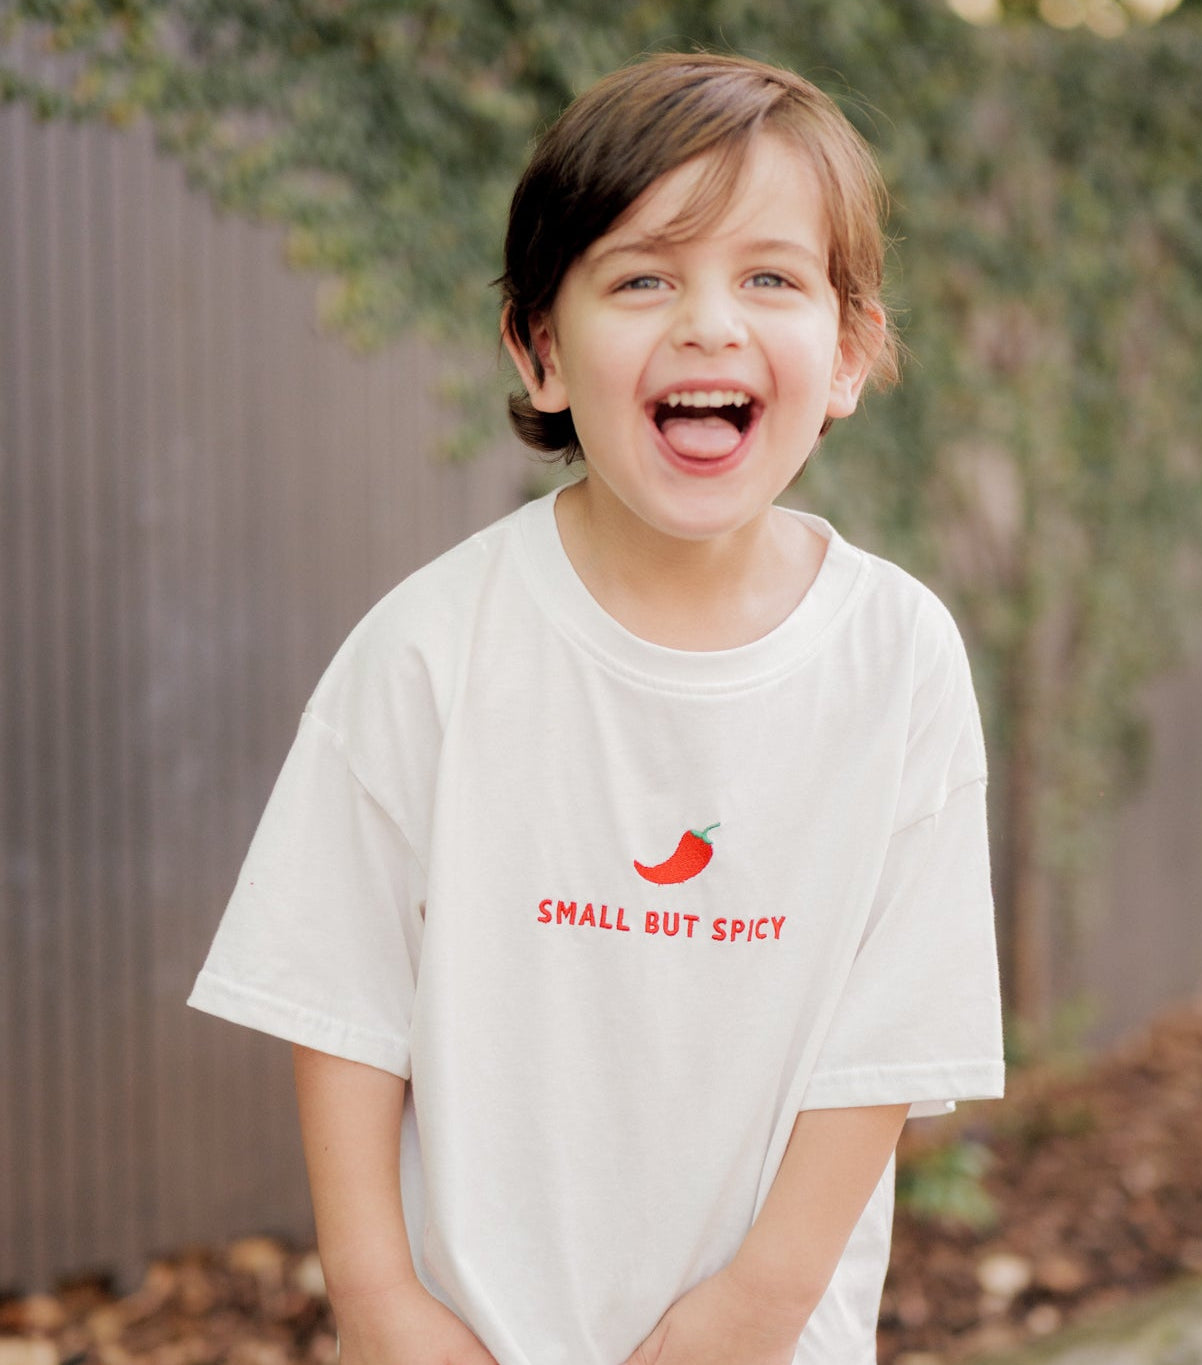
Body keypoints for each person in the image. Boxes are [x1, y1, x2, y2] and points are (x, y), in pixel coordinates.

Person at [188, 51, 1004, 1365]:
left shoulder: (892, 657)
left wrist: (756, 1307)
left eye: (770, 278)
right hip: (473, 1332)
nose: (707, 324)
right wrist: (380, 1301)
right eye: (641, 277)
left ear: (847, 355)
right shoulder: (429, 649)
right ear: (540, 347)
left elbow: (891, 1036)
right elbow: (337, 997)